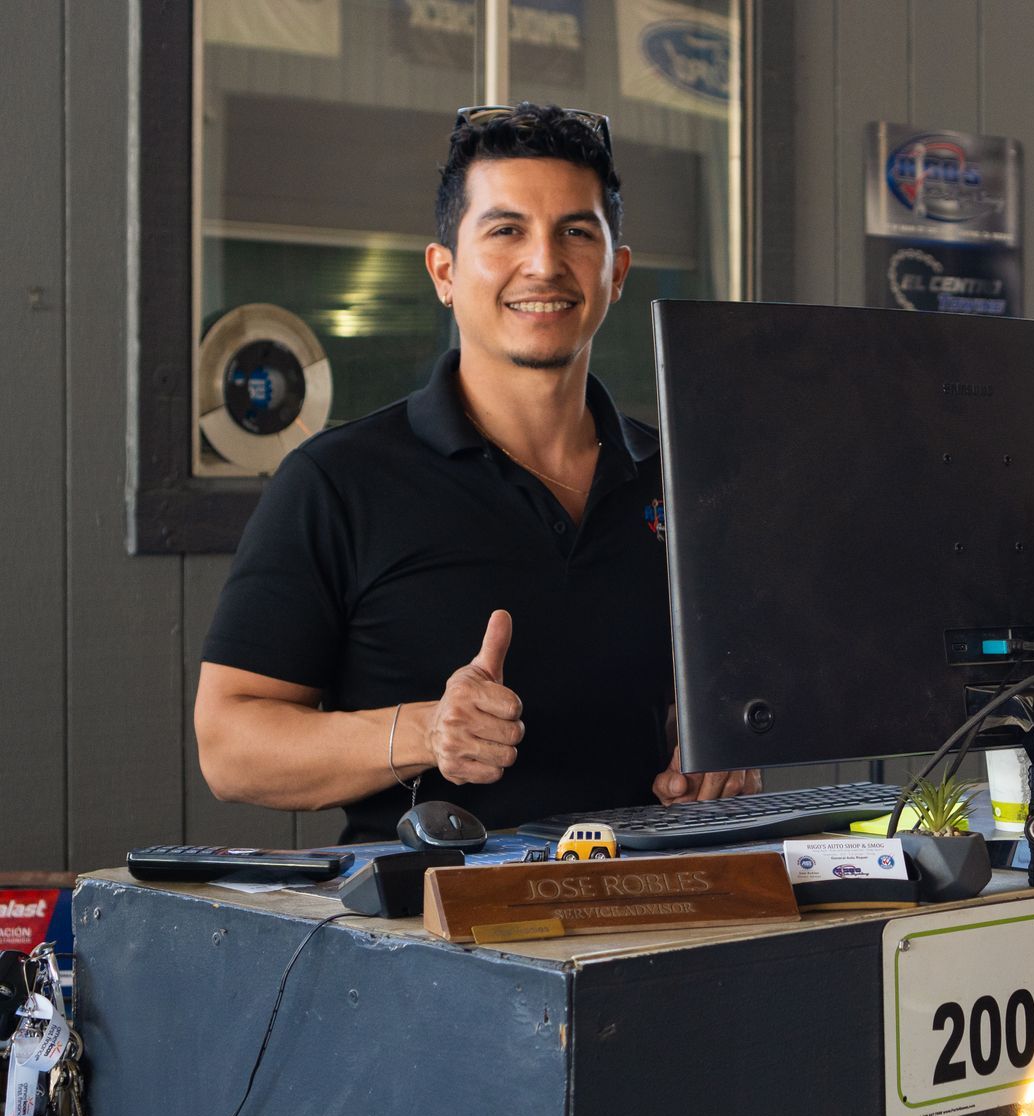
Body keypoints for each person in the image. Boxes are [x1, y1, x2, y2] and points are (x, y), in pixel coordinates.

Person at [196, 103, 753, 844]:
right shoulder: (337, 482)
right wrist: (428, 732)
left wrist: (720, 752)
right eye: (505, 230)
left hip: (651, 912)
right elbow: (229, 746)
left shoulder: (681, 480)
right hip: (427, 938)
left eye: (576, 232)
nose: (545, 263)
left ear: (616, 273)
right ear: (444, 272)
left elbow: (699, 700)